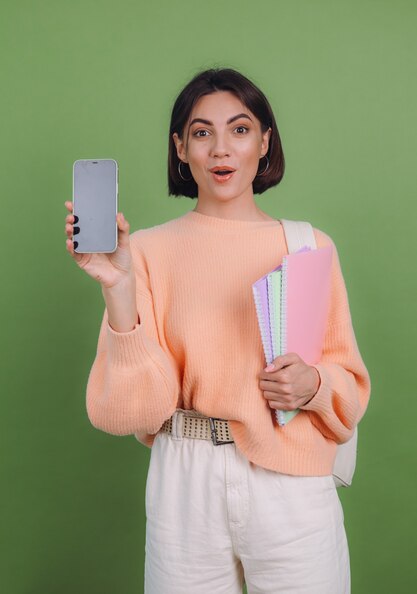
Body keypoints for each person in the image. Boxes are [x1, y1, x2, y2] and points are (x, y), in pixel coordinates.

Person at [64, 67, 371, 594]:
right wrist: (117, 289)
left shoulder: (308, 246)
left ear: (265, 142)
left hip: (291, 484)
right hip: (184, 481)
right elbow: (131, 411)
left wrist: (314, 385)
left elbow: (349, 386)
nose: (221, 149)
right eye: (202, 132)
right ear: (181, 148)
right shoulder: (145, 253)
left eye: (240, 128)